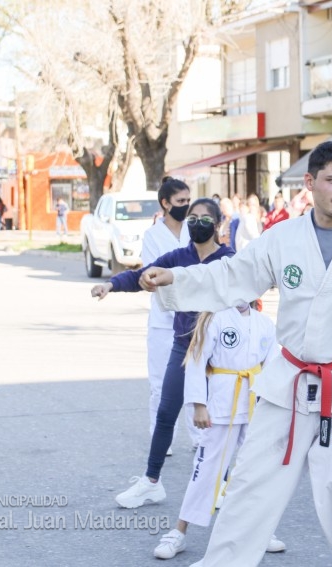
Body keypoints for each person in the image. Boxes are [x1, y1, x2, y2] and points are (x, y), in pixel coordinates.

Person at [137, 141, 332, 567]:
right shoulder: (284, 237)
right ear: (310, 183)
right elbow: (232, 275)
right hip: (290, 378)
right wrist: (175, 280)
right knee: (252, 482)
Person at [91, 198, 234, 509]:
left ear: (219, 223)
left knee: (219, 421)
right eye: (192, 217)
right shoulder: (179, 256)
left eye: (205, 218)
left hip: (221, 353)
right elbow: (143, 275)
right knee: (166, 413)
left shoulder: (229, 259)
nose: (197, 223)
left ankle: (222, 485)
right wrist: (112, 285)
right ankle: (151, 482)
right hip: (185, 346)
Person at [152, 304, 286, 559]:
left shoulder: (265, 324)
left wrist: (275, 407)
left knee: (256, 472)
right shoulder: (213, 319)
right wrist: (199, 405)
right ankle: (179, 532)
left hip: (255, 404)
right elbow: (196, 362)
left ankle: (261, 531)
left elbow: (273, 366)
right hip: (220, 404)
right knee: (206, 470)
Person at [138, 178, 199, 451]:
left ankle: (199, 436)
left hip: (196, 318)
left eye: (188, 201)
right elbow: (153, 276)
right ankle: (162, 437)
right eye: (180, 202)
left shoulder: (194, 230)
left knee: (197, 380)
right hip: (164, 321)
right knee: (161, 384)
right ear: (165, 203)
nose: (186, 206)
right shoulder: (152, 236)